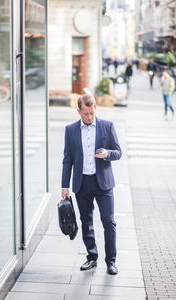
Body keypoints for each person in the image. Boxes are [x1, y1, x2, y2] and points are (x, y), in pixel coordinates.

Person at [61, 94, 122, 275]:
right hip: (82, 183)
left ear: (95, 108)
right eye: (85, 113)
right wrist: (65, 186)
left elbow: (118, 152)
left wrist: (107, 154)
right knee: (86, 221)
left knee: (108, 222)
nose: (89, 117)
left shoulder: (107, 126)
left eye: (91, 113)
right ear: (78, 111)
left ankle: (111, 261)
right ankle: (92, 257)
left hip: (103, 183)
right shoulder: (70, 130)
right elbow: (67, 160)